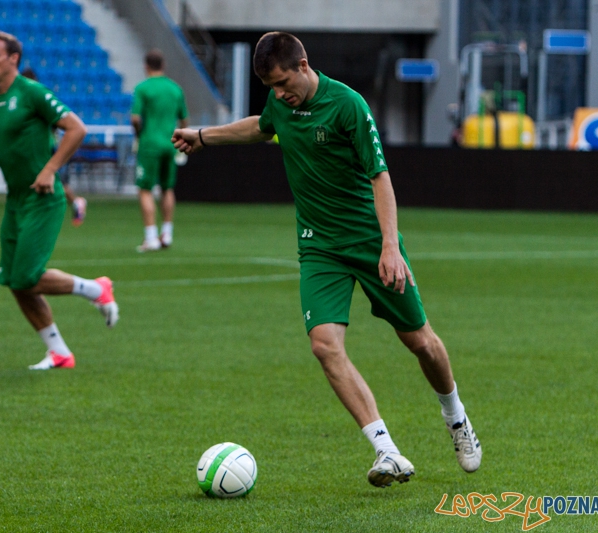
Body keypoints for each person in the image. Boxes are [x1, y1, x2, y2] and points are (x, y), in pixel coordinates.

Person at [172, 32, 481, 488]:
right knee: (324, 345)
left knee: (421, 342)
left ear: (302, 64)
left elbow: (380, 177)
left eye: (282, 83)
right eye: (271, 88)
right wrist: (204, 136)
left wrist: (390, 247)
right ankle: (387, 451)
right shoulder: (282, 103)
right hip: (319, 247)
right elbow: (260, 126)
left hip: (369, 241)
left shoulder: (348, 105)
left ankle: (455, 416)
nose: (279, 94)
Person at [0, 30, 119, 370]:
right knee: (15, 281)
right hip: (15, 203)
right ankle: (59, 352)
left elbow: (77, 129)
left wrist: (49, 169)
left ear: (13, 58)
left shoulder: (32, 93)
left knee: (27, 276)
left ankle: (96, 288)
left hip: (43, 199)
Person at [130, 49, 189, 252]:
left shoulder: (143, 88)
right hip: (170, 143)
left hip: (150, 144)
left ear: (146, 66)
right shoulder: (175, 89)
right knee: (167, 188)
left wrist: (139, 134)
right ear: (163, 66)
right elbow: (184, 119)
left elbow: (135, 118)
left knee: (145, 189)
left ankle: (151, 237)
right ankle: (167, 233)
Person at [21, 67, 88, 227]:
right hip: (39, 149)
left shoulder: (40, 98)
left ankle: (77, 202)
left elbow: (59, 123)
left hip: (48, 149)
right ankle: (73, 203)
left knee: (57, 183)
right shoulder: (29, 99)